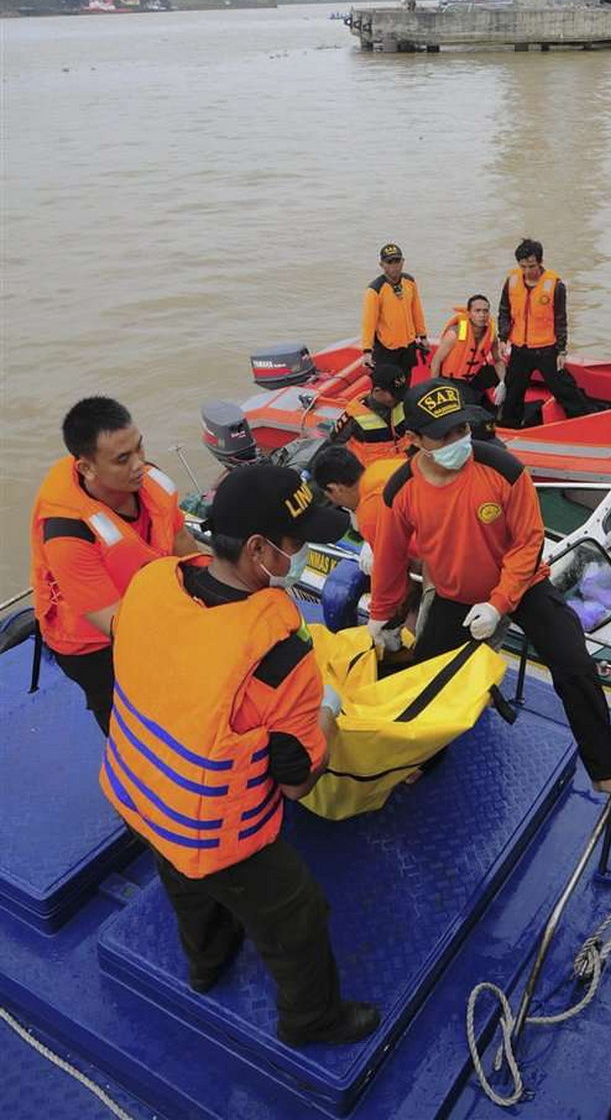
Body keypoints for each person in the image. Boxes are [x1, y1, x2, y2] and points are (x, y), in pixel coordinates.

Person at [99, 463, 381, 1047]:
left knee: (182, 880)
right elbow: (299, 781)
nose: (299, 556)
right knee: (297, 914)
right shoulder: (278, 652)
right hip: (211, 828)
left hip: (140, 794)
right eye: (296, 544)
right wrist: (327, 707)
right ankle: (312, 1020)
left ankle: (207, 964)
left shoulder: (155, 581)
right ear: (259, 550)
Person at [366, 380, 611, 810]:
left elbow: (527, 541)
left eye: (462, 429)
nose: (457, 442)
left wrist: (500, 602)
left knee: (574, 664)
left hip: (523, 585)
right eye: (443, 435)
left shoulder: (503, 470)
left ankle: (607, 770)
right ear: (413, 440)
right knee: (428, 680)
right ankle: (422, 760)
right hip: (455, 595)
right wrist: (381, 615)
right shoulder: (400, 492)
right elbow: (389, 560)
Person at [30, 396, 198, 734]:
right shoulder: (68, 535)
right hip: (93, 642)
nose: (140, 465)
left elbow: (183, 546)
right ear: (87, 468)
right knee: (122, 714)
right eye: (123, 459)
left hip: (148, 599)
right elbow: (118, 625)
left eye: (139, 448)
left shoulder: (152, 484)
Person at [497, 238, 606, 427]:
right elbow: (504, 311)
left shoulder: (555, 286)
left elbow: (561, 320)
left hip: (547, 350)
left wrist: (561, 350)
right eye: (522, 266)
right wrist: (502, 337)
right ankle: (510, 426)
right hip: (520, 349)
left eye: (531, 266)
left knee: (563, 388)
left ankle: (587, 420)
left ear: (540, 262)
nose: (527, 271)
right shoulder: (511, 281)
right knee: (514, 390)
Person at [311, 444, 406, 576]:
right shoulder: (384, 466)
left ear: (335, 488)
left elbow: (395, 573)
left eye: (329, 495)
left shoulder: (370, 517)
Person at [361, 243, 429, 383]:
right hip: (387, 348)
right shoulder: (375, 290)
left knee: (406, 381)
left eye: (397, 261)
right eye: (389, 262)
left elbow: (416, 310)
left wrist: (422, 336)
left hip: (408, 345)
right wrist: (367, 351)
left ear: (403, 262)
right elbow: (369, 323)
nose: (394, 265)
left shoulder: (409, 282)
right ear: (382, 264)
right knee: (386, 386)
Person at [430, 294, 506, 405]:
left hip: (472, 378)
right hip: (450, 380)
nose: (482, 315)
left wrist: (503, 382)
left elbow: (498, 360)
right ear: (469, 314)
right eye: (477, 311)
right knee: (472, 406)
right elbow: (436, 361)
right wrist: (435, 389)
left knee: (510, 379)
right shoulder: (454, 333)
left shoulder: (491, 335)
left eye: (485, 311)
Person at [330, 363, 408, 468]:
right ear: (377, 391)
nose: (399, 399)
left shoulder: (402, 402)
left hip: (402, 465)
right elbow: (333, 443)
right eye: (395, 395)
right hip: (371, 473)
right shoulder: (355, 414)